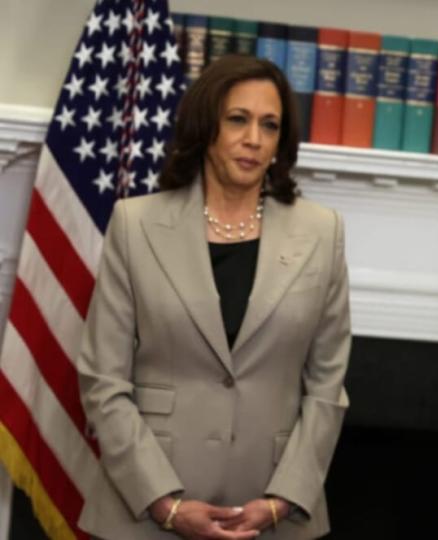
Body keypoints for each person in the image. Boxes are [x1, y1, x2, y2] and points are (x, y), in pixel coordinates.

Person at [76, 55, 351, 539]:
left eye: (270, 125)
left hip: (273, 514)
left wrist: (282, 500)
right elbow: (103, 380)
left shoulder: (321, 232)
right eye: (238, 120)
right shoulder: (135, 224)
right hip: (145, 512)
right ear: (206, 127)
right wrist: (165, 504)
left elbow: (328, 385)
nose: (254, 139)